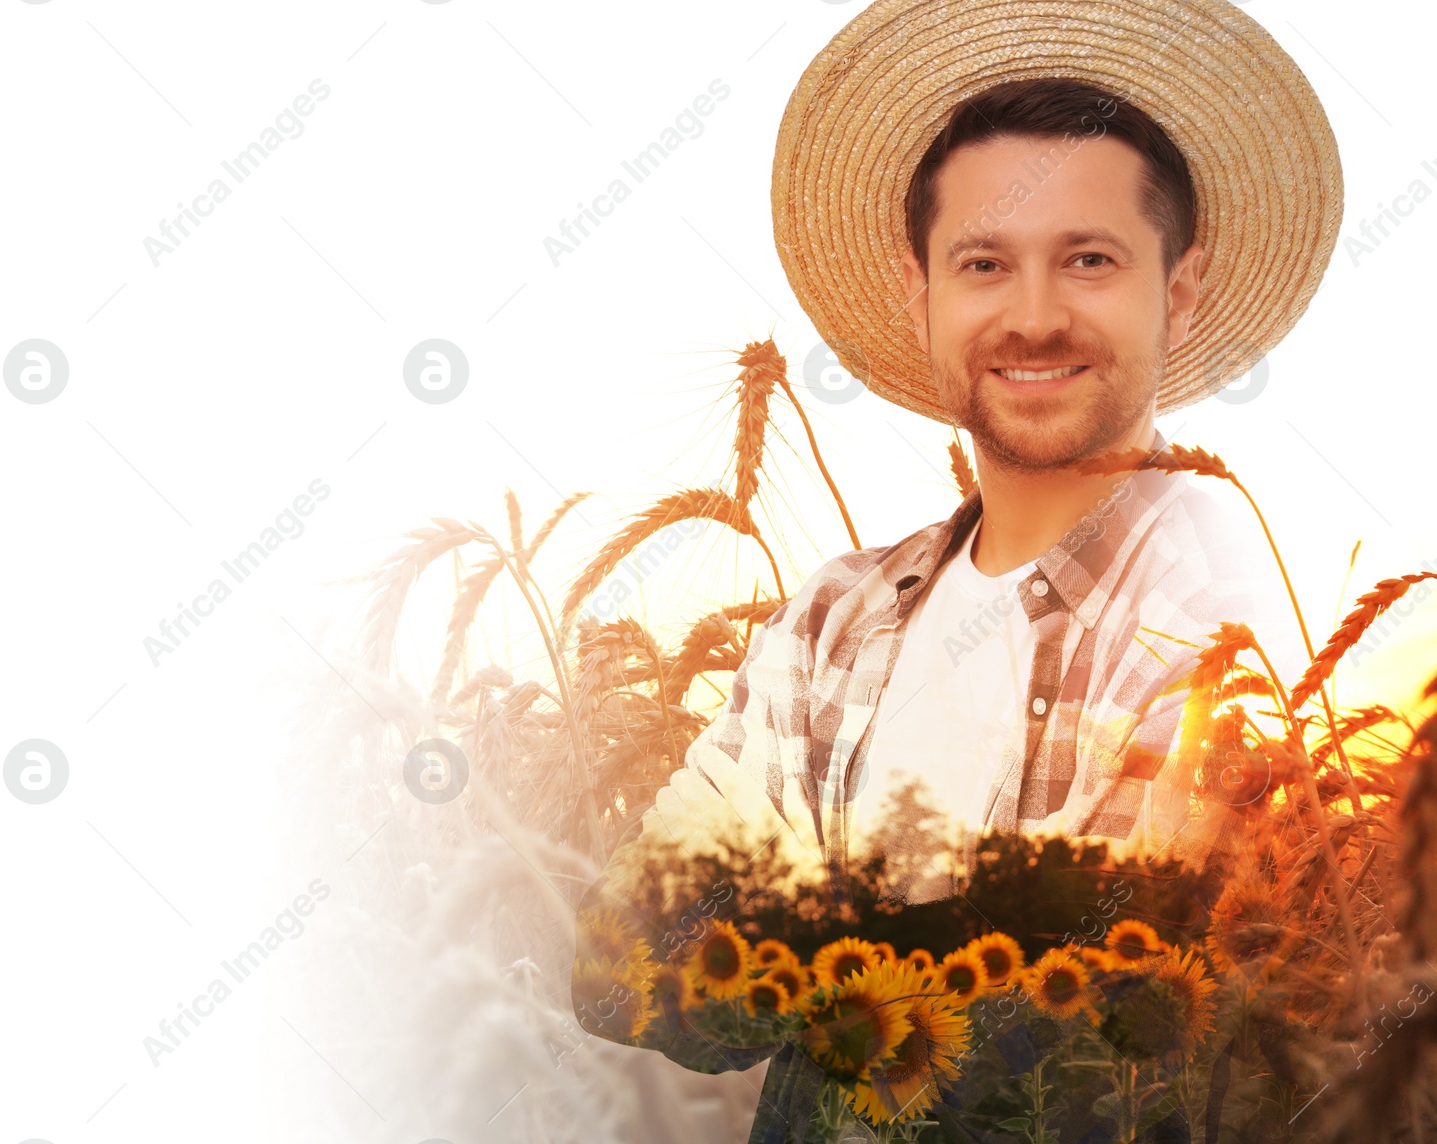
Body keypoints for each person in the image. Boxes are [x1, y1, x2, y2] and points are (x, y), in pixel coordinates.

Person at [572, 1, 1343, 1140]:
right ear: (920, 293)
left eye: (1088, 259)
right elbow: (617, 954)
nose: (1032, 316)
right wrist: (918, 987)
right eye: (984, 263)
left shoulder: (1230, 630)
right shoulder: (828, 620)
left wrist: (792, 960)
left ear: (1176, 293)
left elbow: (1119, 1048)